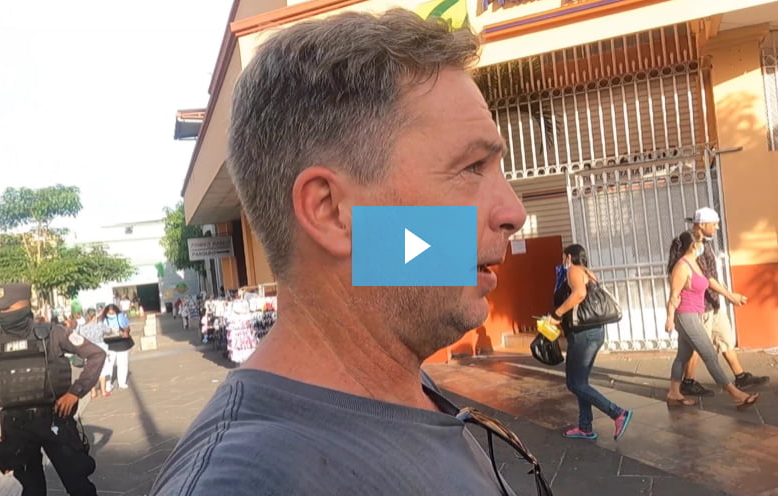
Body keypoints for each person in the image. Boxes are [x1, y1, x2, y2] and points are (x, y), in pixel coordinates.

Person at [150, 10, 541, 496]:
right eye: (472, 167)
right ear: (331, 212)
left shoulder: (405, 388)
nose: (513, 211)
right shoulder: (248, 481)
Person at [0, 283, 105, 495]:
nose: (0, 312)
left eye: (6, 307)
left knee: (78, 485)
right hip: (16, 427)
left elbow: (96, 355)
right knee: (31, 489)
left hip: (55, 418)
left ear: (23, 305)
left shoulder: (54, 333)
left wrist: (75, 392)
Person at [667, 207, 770, 396]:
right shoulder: (690, 252)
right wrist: (730, 295)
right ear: (702, 225)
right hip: (697, 309)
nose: (716, 228)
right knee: (703, 351)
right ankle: (729, 393)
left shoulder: (703, 246)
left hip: (710, 304)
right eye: (714, 224)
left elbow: (709, 276)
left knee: (722, 340)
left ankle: (739, 376)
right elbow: (704, 280)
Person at [548, 244, 632, 441]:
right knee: (581, 382)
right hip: (595, 332)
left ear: (569, 257)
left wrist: (557, 314)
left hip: (583, 335)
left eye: (563, 257)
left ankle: (617, 413)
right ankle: (585, 427)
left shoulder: (574, 271)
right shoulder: (588, 272)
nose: (562, 261)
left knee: (574, 383)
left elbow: (579, 294)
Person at [78, 308, 113, 398]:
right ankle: (103, 391)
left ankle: (93, 392)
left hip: (88, 350)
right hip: (100, 349)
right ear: (94, 316)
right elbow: (109, 331)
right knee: (102, 370)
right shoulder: (100, 325)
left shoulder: (82, 328)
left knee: (91, 372)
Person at [100, 304, 131, 390]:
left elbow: (127, 326)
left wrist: (126, 332)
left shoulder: (120, 317)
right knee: (109, 365)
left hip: (122, 342)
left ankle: (122, 382)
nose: (111, 315)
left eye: (112, 313)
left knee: (122, 363)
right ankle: (108, 384)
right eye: (109, 313)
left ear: (115, 311)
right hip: (110, 344)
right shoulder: (104, 319)